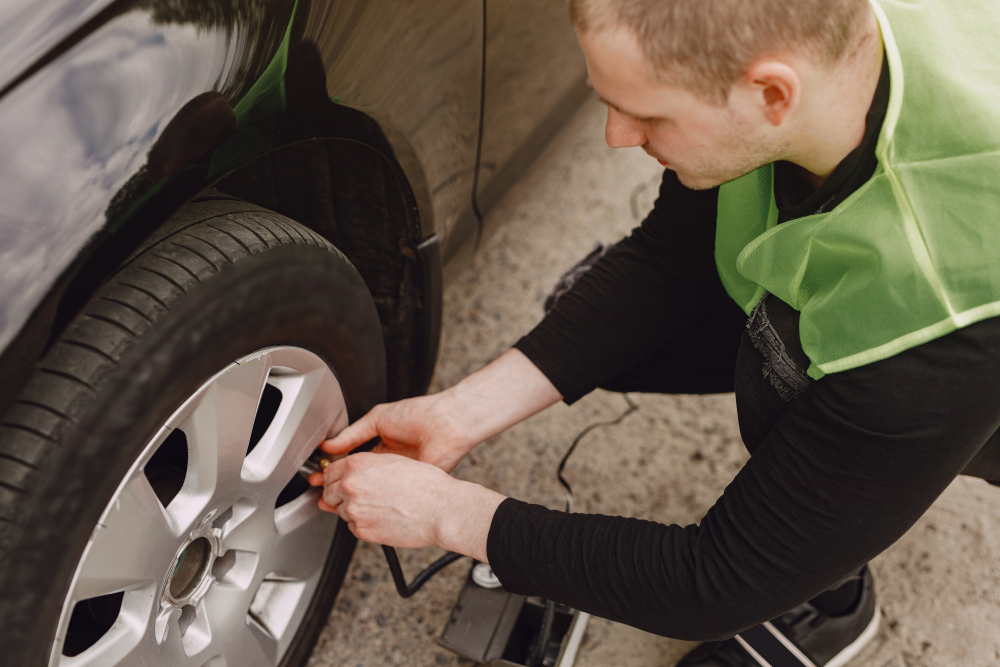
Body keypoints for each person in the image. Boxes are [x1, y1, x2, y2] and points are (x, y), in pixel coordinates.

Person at [308, 0, 1000, 664]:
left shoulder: (933, 304)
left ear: (772, 94)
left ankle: (828, 599)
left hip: (958, 352)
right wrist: (459, 412)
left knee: (776, 374)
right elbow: (673, 254)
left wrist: (451, 515)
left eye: (645, 115)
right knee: (595, 314)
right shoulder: (815, 55)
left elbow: (712, 580)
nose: (615, 136)